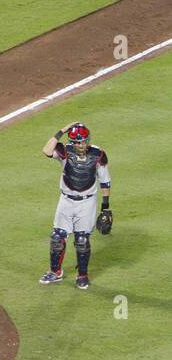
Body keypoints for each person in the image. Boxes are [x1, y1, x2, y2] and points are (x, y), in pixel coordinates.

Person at [40, 123, 112, 289]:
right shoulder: (65, 151)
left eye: (83, 141)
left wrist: (106, 207)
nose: (81, 145)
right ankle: (55, 272)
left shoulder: (98, 154)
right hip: (66, 201)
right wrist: (62, 131)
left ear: (88, 140)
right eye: (77, 142)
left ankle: (82, 276)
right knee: (57, 237)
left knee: (82, 240)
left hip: (87, 202)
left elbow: (105, 181)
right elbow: (46, 151)